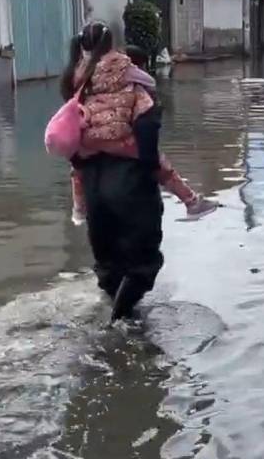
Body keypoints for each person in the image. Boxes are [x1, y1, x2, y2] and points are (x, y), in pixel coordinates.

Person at [61, 22, 165, 321]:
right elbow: (147, 121)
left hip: (92, 182)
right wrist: (149, 168)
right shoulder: (128, 76)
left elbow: (68, 134)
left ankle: (116, 316)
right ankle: (117, 325)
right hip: (129, 181)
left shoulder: (75, 84)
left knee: (109, 263)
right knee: (142, 262)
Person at [64, 31, 218, 225]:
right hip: (117, 137)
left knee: (76, 166)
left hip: (88, 139)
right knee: (159, 163)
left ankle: (78, 209)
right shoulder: (123, 68)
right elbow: (150, 85)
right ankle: (191, 202)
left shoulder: (79, 71)